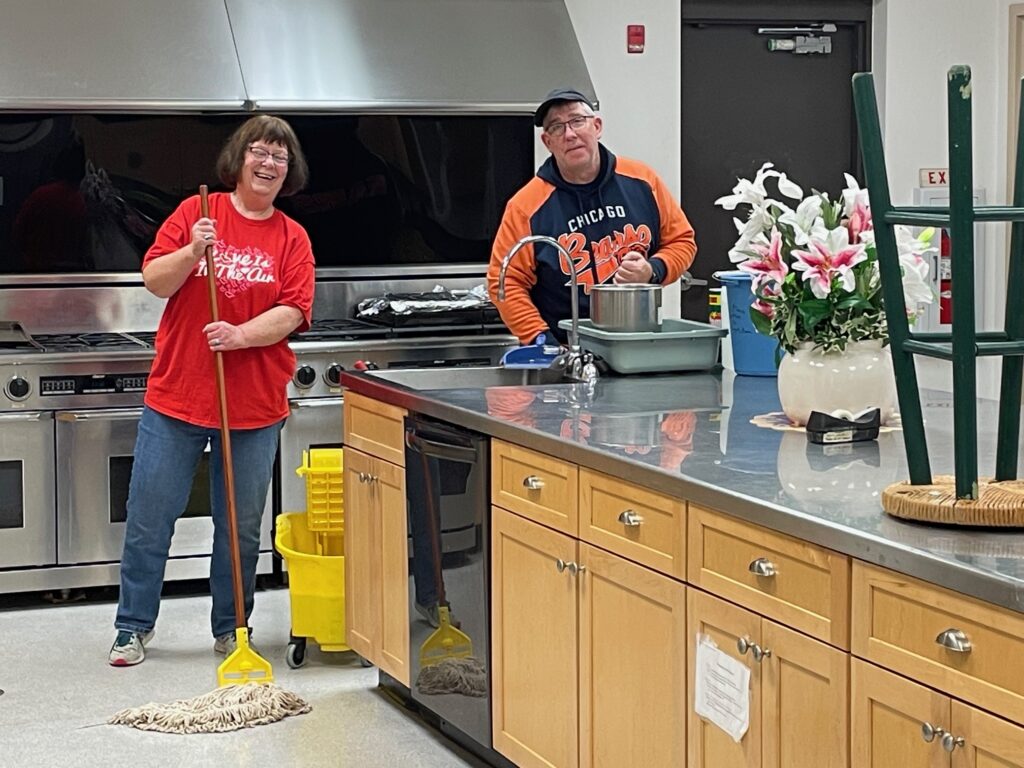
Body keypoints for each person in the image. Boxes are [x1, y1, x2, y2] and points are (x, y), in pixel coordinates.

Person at [108, 115, 315, 666]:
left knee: (240, 528)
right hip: (178, 396)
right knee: (151, 518)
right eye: (260, 152)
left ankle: (232, 629)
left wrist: (240, 335)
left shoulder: (292, 237)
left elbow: (294, 310)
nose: (269, 164)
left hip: (253, 405)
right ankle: (132, 627)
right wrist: (193, 251)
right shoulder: (197, 215)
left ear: (287, 171)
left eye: (280, 157)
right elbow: (155, 280)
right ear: (239, 158)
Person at [487, 88, 698, 344]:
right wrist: (540, 341)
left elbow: (682, 241)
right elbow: (505, 281)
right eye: (556, 127)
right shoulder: (526, 206)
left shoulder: (642, 180)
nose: (570, 134)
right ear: (547, 142)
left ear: (596, 126)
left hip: (638, 341)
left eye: (577, 121)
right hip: (564, 348)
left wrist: (652, 270)